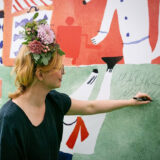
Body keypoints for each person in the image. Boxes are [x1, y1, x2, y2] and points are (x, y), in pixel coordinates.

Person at [0, 13, 152, 160]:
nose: (63, 72)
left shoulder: (54, 102)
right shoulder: (10, 119)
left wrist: (131, 101)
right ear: (40, 74)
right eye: (59, 67)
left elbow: (90, 107)